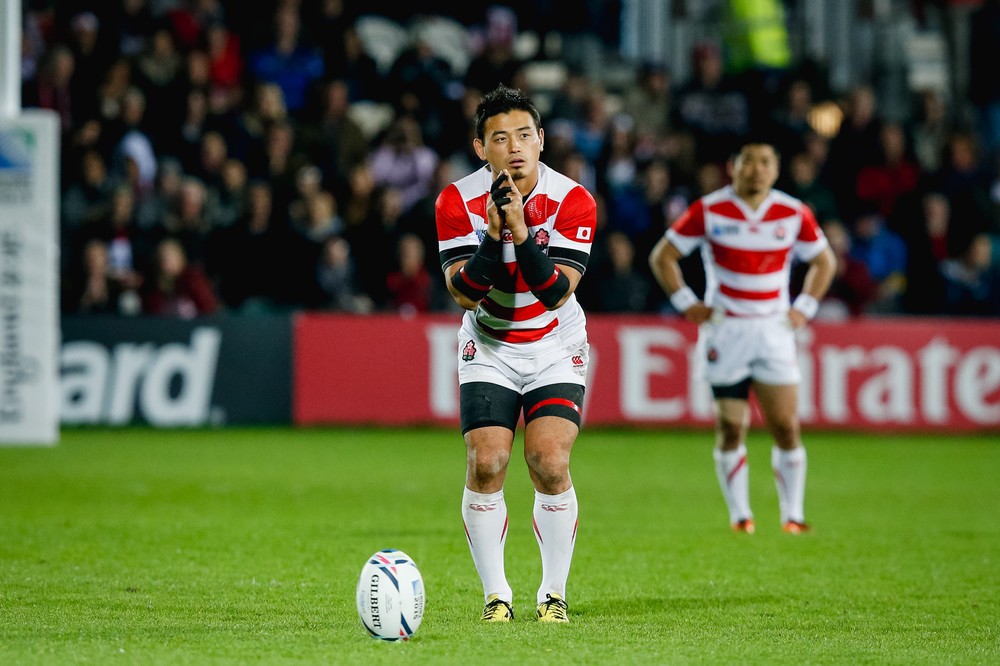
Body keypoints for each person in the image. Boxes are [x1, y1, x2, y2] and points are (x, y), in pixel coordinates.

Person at [435, 85, 597, 624]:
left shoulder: (574, 199)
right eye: (500, 138)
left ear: (542, 140)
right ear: (481, 148)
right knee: (487, 462)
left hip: (554, 342)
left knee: (549, 462)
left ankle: (553, 593)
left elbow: (556, 292)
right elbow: (463, 292)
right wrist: (491, 234)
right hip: (488, 343)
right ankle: (496, 596)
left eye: (525, 135)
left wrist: (521, 232)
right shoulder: (454, 200)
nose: (515, 147)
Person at [648, 138, 836, 535]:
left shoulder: (793, 212)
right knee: (732, 426)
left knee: (785, 425)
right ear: (733, 167)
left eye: (765, 161)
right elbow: (662, 255)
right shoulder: (710, 209)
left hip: (773, 329)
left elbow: (824, 261)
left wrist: (805, 308)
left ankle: (793, 516)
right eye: (748, 161)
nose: (756, 169)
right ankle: (740, 516)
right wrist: (686, 302)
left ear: (776, 168)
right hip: (726, 329)